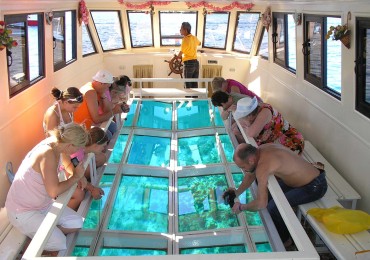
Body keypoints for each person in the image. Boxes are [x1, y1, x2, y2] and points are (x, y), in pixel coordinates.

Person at [5, 123, 89, 254]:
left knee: (77, 222)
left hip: (43, 205)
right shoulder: (47, 153)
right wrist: (75, 178)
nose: (76, 152)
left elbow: (67, 163)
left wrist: (79, 175)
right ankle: (33, 244)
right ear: (69, 145)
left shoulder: (58, 143)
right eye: (76, 149)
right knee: (60, 242)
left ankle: (42, 234)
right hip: (22, 211)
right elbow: (54, 191)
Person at [226, 143, 327, 247]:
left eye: (243, 166)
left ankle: (285, 240)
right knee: (269, 197)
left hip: (314, 186)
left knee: (273, 208)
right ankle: (278, 229)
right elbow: (250, 175)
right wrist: (236, 193)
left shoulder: (263, 166)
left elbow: (261, 204)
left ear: (251, 160)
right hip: (302, 180)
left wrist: (242, 207)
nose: (243, 170)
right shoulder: (261, 150)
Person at [233, 96, 305, 154]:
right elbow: (245, 126)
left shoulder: (265, 112)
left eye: (244, 117)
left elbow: (251, 133)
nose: (242, 119)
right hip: (274, 141)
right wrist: (247, 125)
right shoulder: (257, 111)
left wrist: (247, 125)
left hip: (291, 142)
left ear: (250, 116)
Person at [74, 70, 123, 139]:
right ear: (101, 83)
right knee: (107, 136)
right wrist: (114, 111)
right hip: (82, 128)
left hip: (90, 123)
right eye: (107, 86)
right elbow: (96, 119)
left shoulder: (96, 89)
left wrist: (103, 95)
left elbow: (107, 110)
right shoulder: (90, 92)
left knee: (113, 127)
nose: (107, 89)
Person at [68, 127, 108, 211]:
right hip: (66, 178)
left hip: (73, 175)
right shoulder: (76, 152)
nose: (104, 149)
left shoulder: (82, 150)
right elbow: (75, 173)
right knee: (80, 195)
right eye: (103, 146)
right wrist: (92, 188)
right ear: (95, 145)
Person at [176, 22, 201, 88]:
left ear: (185, 30)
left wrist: (176, 55)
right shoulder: (194, 37)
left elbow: (180, 54)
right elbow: (199, 43)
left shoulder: (185, 39)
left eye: (181, 28)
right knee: (194, 84)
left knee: (187, 85)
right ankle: (195, 98)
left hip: (188, 64)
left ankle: (188, 99)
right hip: (196, 63)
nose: (180, 30)